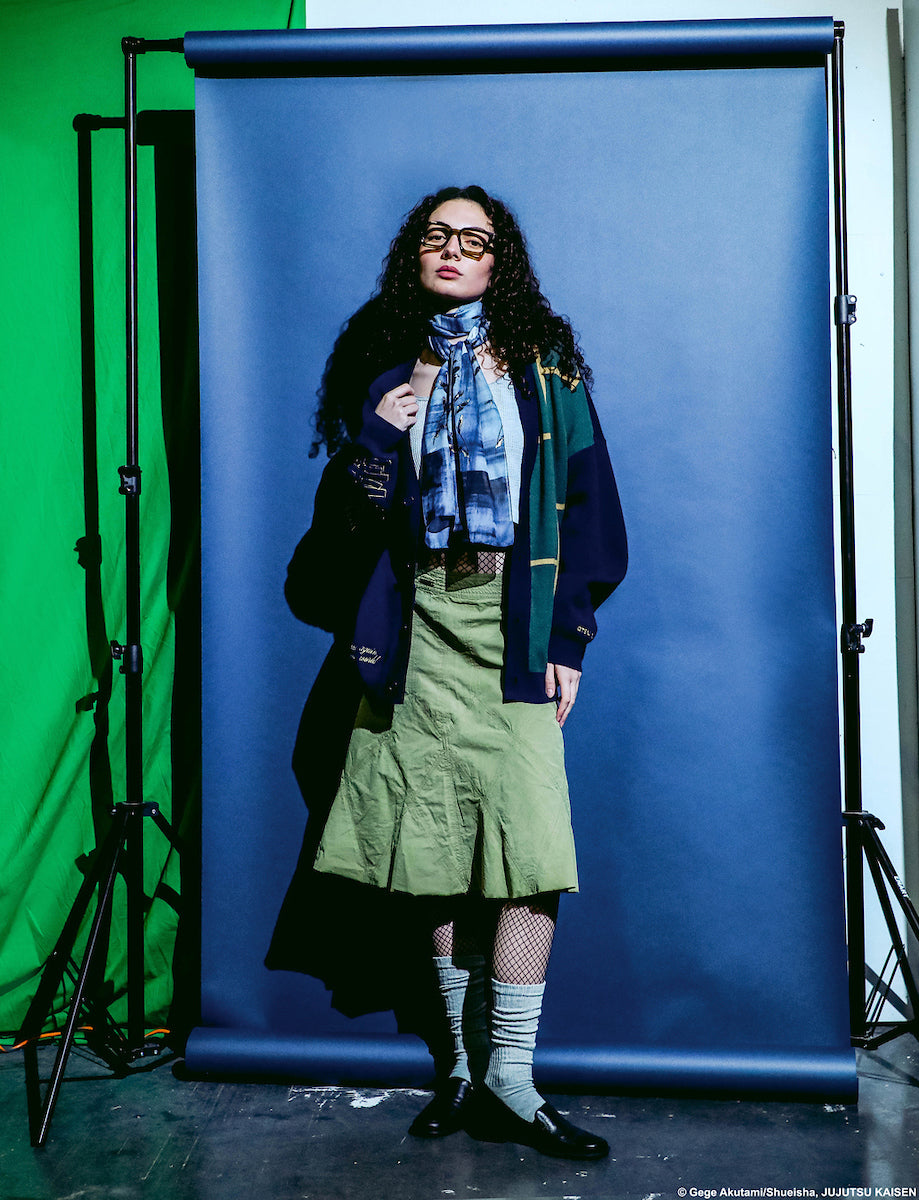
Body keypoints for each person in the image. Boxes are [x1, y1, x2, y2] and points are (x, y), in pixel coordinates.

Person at [285, 185, 627, 1160]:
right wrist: (380, 439)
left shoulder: (545, 370)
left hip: (511, 626)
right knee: (434, 858)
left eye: (474, 240)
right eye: (437, 235)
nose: (453, 250)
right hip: (418, 630)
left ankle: (514, 1082)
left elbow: (589, 510)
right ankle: (461, 1076)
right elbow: (334, 553)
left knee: (527, 855)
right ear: (417, 256)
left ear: (497, 262)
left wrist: (570, 641)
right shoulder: (389, 372)